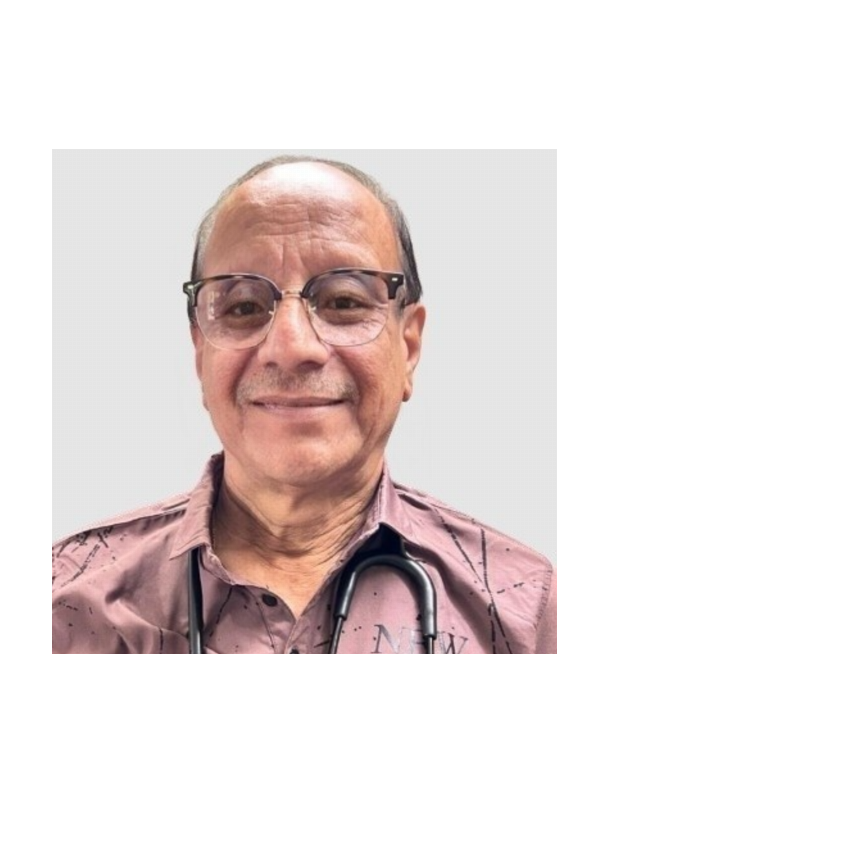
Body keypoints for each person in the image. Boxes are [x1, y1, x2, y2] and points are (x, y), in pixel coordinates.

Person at [52, 156, 556, 655]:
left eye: (343, 301)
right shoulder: (68, 601)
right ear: (200, 353)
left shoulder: (525, 610)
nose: (291, 347)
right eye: (244, 306)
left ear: (408, 347)